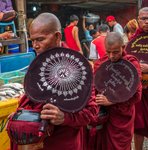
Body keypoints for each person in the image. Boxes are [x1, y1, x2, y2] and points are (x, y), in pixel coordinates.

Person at [9, 12, 98, 150]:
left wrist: (65, 117)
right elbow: (32, 100)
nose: (35, 46)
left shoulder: (79, 66)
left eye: (40, 39)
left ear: (57, 36)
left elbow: (92, 112)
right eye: (33, 41)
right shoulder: (40, 63)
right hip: (35, 140)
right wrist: (22, 115)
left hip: (63, 141)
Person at [92, 32, 142, 150]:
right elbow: (95, 86)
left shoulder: (131, 64)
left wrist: (112, 101)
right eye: (108, 52)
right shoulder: (101, 63)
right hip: (103, 115)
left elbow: (137, 95)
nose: (111, 56)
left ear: (123, 48)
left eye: (115, 52)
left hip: (122, 115)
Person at [133, 7, 148, 150]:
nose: (147, 22)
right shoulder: (133, 41)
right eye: (143, 19)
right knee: (138, 124)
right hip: (140, 90)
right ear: (138, 20)